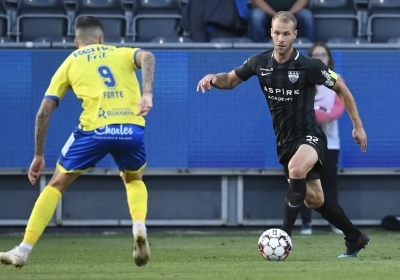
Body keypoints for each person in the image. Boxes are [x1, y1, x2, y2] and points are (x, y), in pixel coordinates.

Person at [197, 11, 369, 258]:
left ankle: (283, 235)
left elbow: (341, 87)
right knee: (314, 199)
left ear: (294, 35)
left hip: (310, 136)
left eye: (286, 34)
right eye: (277, 33)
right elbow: (230, 80)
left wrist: (358, 126)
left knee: (297, 169)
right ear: (271, 33)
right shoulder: (259, 63)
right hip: (285, 142)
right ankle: (355, 237)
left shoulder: (310, 65)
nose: (280, 38)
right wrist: (213, 78)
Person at [0, 16, 155, 268]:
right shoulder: (120, 53)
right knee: (134, 179)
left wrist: (39, 154)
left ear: (76, 42)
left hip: (94, 130)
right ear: (102, 39)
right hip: (131, 128)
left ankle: (23, 250)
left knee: (56, 184)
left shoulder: (70, 62)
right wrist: (147, 93)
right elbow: (147, 56)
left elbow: (43, 112)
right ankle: (139, 226)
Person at [299, 42, 345, 235]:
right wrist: (315, 115)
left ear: (329, 58)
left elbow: (340, 105)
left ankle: (334, 222)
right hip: (306, 142)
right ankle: (306, 224)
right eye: (316, 55)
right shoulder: (304, 79)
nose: (320, 58)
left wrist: (325, 117)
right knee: (303, 181)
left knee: (328, 183)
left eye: (323, 55)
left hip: (330, 142)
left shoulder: (335, 79)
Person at [249, 0, 314, 42]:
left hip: (294, 12)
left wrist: (289, 14)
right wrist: (275, 15)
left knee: (306, 16)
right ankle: (258, 55)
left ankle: (307, 56)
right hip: (266, 13)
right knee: (256, 17)